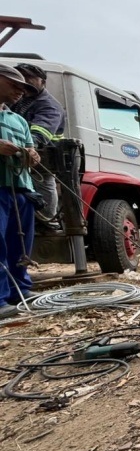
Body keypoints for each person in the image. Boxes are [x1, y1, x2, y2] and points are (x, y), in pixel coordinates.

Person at [0, 64, 41, 318]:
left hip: (22, 189)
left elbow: (31, 150)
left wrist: (32, 155)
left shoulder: (19, 121)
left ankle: (20, 291)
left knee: (20, 243)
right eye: (14, 85)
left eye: (24, 89)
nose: (20, 92)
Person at [11, 63, 66, 233]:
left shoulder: (49, 105)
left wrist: (26, 146)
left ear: (42, 81)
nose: (24, 80)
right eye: (21, 76)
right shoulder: (19, 100)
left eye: (29, 77)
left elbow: (40, 133)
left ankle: (48, 223)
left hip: (43, 158)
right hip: (20, 155)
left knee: (44, 186)